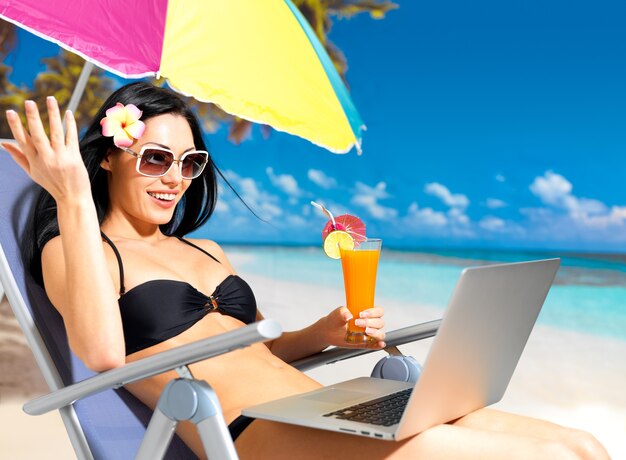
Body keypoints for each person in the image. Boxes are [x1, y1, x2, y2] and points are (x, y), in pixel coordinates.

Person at [2, 82, 608, 460]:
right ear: (109, 156)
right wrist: (74, 197)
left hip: (325, 406)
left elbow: (262, 348)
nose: (174, 178)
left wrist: (322, 334)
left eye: (190, 163)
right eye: (155, 158)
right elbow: (104, 356)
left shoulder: (209, 251)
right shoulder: (79, 250)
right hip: (251, 434)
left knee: (582, 448)